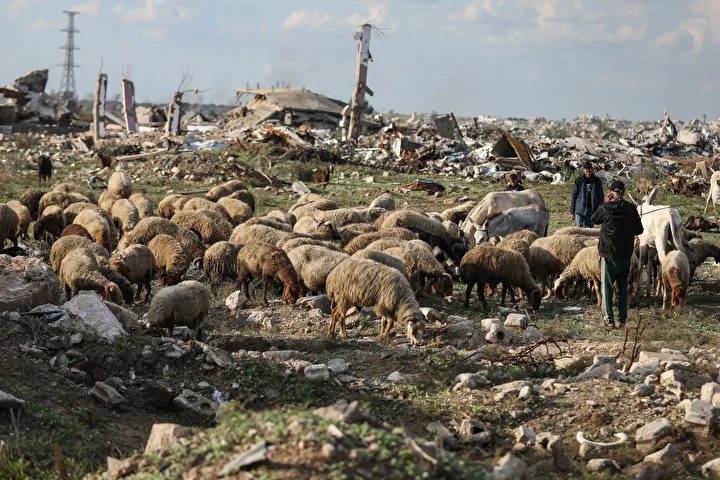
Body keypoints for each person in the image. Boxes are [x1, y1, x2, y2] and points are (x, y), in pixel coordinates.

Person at [591, 180, 644, 329]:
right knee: (623, 286)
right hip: (625, 254)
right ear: (623, 191)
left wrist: (605, 202)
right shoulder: (631, 208)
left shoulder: (605, 208)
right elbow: (639, 230)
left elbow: (594, 219)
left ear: (611, 192)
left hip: (608, 254)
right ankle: (622, 319)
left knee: (607, 287)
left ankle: (609, 319)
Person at [570, 162, 604, 228]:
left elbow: (601, 197)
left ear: (592, 170)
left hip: (592, 210)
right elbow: (574, 197)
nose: (588, 174)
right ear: (584, 170)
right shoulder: (579, 181)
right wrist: (572, 212)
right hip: (580, 210)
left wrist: (600, 211)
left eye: (590, 172)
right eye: (586, 172)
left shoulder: (597, 181)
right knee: (579, 230)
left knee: (590, 231)